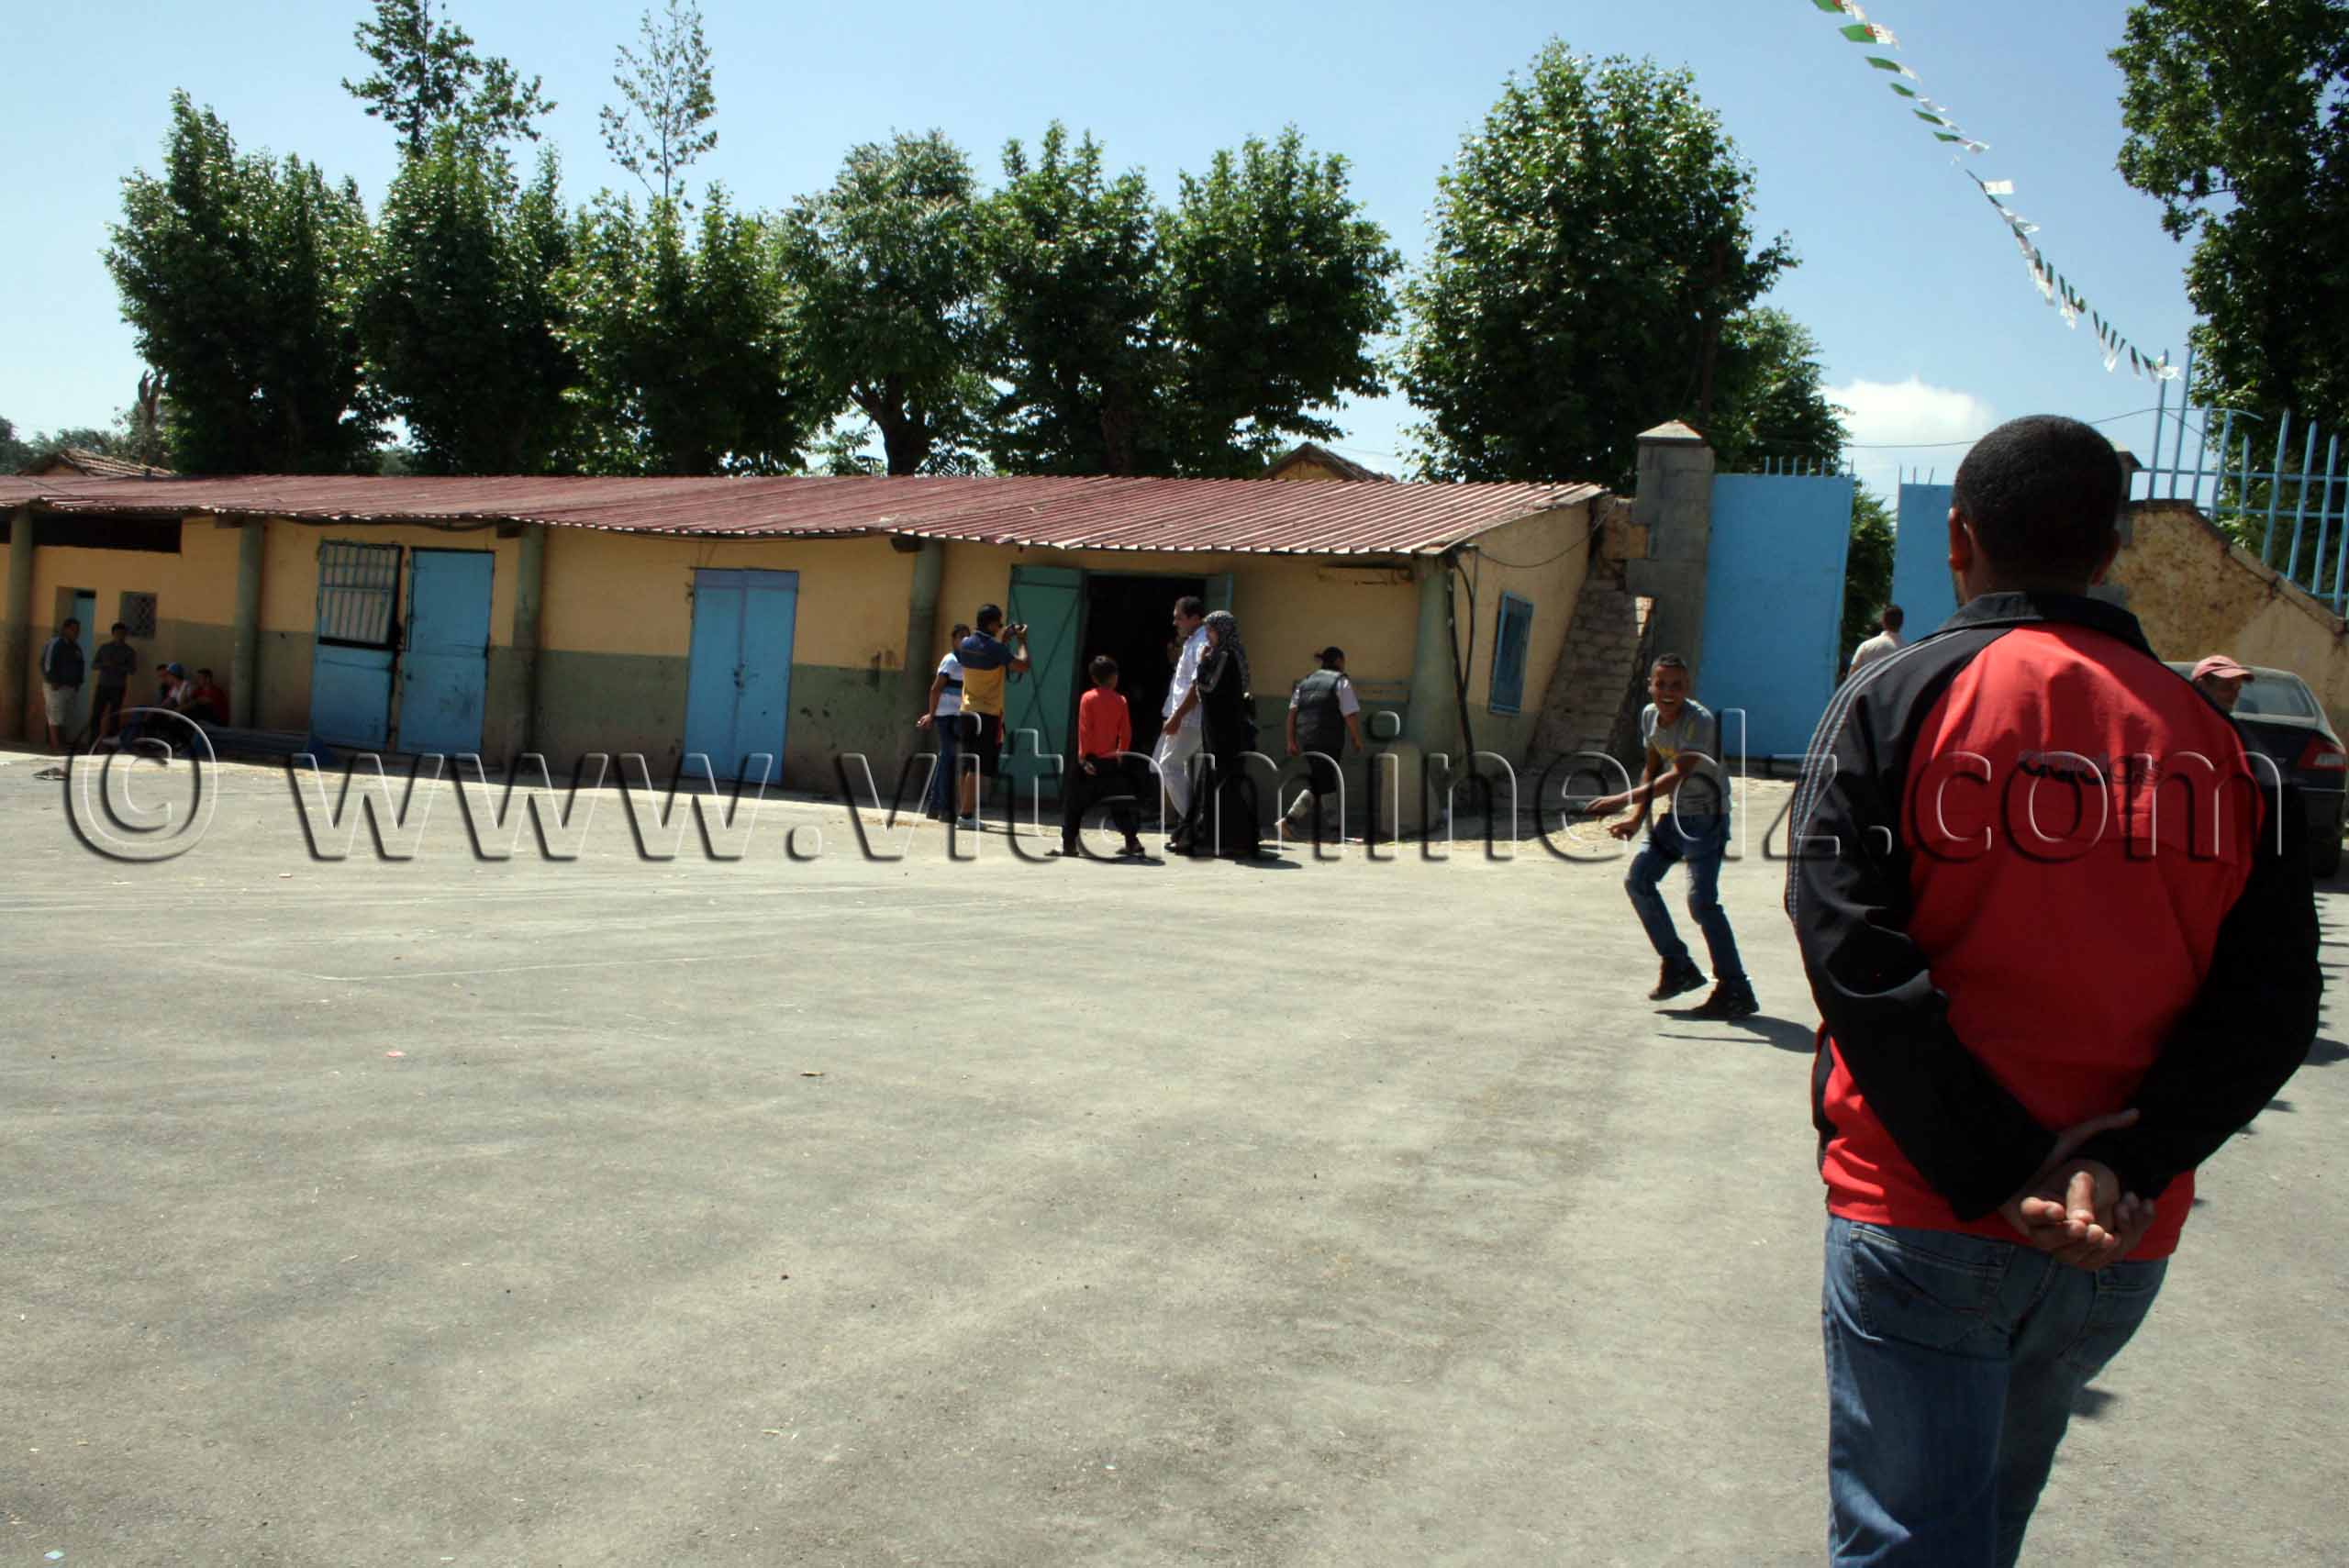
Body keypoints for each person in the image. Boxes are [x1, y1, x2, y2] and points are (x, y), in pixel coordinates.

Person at [1787, 414, 2320, 1567]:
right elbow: (2273, 1002)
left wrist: (1995, 1166)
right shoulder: (2219, 747)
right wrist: (2118, 1165)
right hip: (2112, 1237)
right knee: (1985, 1528)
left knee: (1911, 1543)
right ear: (2111, 548)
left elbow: (1848, 945)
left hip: (1924, 1213)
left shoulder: (1901, 694)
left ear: (1956, 538)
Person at [1582, 653, 1755, 1018]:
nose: (1668, 692)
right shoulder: (1649, 716)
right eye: (1661, 684)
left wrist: (1620, 798)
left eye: (1676, 685)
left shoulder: (1700, 721)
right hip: (1675, 816)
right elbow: (1652, 766)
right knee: (1639, 880)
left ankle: (1735, 988)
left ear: (1687, 688)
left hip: (1707, 818)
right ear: (1650, 685)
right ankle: (1678, 967)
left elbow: (1678, 772)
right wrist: (1634, 817)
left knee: (1702, 902)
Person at [1173, 610, 1263, 859]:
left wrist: (1202, 663)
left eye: (1211, 630)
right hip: (1220, 730)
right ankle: (1201, 836)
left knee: (1222, 785)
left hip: (1224, 731)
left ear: (1221, 631)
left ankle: (1225, 840)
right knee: (1214, 782)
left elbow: (1208, 687)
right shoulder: (1227, 654)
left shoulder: (1225, 655)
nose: (1208, 635)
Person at [1058, 656, 1149, 859]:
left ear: (1093, 678)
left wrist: (1083, 759)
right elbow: (1126, 733)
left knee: (1074, 804)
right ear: (1114, 677)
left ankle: (1069, 845)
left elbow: (1084, 730)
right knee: (1120, 805)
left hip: (1090, 760)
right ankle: (1132, 842)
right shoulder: (1121, 700)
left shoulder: (1088, 698)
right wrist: (1120, 754)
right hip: (1111, 761)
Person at [952, 606, 1030, 828]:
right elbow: (1023, 665)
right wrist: (1022, 641)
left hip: (966, 710)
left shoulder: (965, 643)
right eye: (999, 622)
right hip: (987, 715)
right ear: (991, 624)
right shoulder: (996, 648)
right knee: (978, 767)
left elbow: (989, 657)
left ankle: (964, 812)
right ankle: (966, 816)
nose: (1001, 626)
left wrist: (1003, 641)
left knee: (967, 764)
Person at [1282, 645, 1364, 841]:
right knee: (1324, 781)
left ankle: (1297, 822)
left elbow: (1292, 713)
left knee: (1321, 781)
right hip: (1329, 739)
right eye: (1343, 662)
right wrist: (1356, 739)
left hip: (1307, 739)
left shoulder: (1306, 682)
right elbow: (1350, 714)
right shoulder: (1340, 681)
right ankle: (1295, 822)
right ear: (1338, 661)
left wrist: (1291, 741)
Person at [1154, 596, 1209, 828]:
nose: (1175, 622)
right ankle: (1193, 823)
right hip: (1184, 717)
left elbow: (1197, 687)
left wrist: (1177, 717)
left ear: (1195, 619)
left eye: (1180, 618)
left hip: (1188, 719)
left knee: (1168, 765)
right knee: (1184, 771)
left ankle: (1195, 823)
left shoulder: (1200, 643)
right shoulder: (1191, 641)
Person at [915, 623, 970, 818]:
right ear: (953, 640)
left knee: (946, 757)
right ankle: (945, 809)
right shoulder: (950, 661)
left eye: (967, 636)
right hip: (946, 716)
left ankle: (935, 806)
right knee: (949, 758)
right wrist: (931, 714)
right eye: (961, 636)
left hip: (958, 715)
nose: (964, 640)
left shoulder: (967, 662)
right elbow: (935, 689)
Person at [85, 622, 139, 744]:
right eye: (117, 633)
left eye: (122, 634)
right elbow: (94, 665)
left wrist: (119, 666)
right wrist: (105, 664)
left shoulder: (129, 651)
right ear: (113, 634)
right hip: (103, 685)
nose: (120, 636)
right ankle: (92, 741)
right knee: (96, 714)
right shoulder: (104, 648)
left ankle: (111, 742)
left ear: (125, 635)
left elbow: (132, 670)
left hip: (118, 687)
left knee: (114, 715)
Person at [39, 617, 84, 751]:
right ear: (65, 629)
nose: (76, 633)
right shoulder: (55, 643)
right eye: (73, 630)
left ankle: (63, 743)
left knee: (67, 716)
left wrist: (78, 683)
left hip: (71, 687)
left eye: (78, 630)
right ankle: (55, 744)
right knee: (54, 714)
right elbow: (46, 663)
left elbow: (80, 665)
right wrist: (53, 680)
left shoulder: (76, 647)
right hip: (56, 686)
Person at [1845, 605, 1905, 678]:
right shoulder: (1907, 651)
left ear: (1883, 621)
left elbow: (1851, 677)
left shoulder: (1866, 646)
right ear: (1901, 623)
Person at [2188, 651, 2252, 713]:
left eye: (2238, 689)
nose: (2235, 695)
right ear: (2201, 686)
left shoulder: (2225, 722)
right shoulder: (2183, 720)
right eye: (2228, 687)